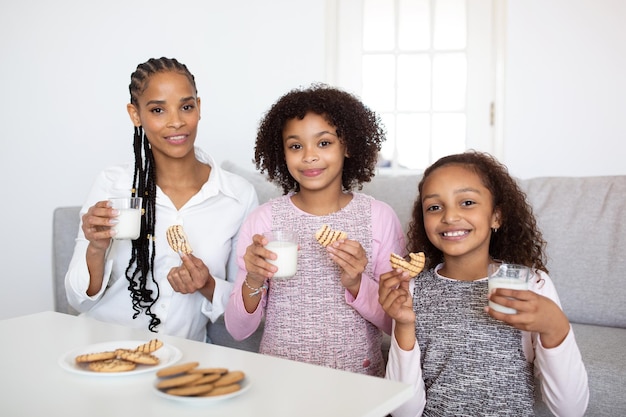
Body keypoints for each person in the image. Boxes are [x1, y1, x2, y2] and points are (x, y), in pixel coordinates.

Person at [379, 151, 589, 416]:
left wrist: (555, 327)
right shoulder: (413, 289)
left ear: (496, 216)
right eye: (434, 207)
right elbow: (404, 412)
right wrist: (405, 326)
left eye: (467, 202)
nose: (450, 216)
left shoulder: (531, 284)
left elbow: (571, 410)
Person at [65, 57, 258, 342]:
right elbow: (78, 300)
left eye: (186, 106)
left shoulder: (237, 196)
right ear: (135, 114)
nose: (176, 122)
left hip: (184, 359)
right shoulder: (113, 184)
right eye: (158, 109)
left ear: (199, 108)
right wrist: (95, 248)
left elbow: (247, 303)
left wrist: (205, 284)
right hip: (103, 350)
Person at [224, 84, 405, 377]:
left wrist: (357, 282)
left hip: (358, 384)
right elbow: (237, 329)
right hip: (280, 382)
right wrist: (254, 279)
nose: (309, 156)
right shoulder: (263, 221)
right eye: (296, 146)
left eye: (323, 143)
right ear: (281, 153)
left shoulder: (379, 217)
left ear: (347, 145)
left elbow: (397, 322)